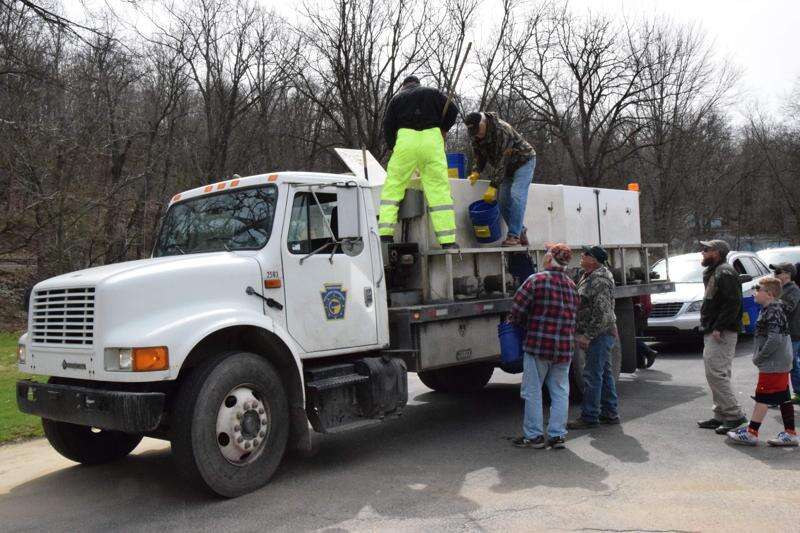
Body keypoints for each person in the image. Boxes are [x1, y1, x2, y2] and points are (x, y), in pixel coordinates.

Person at [509, 243, 578, 449]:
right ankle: (557, 436)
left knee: (532, 391)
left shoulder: (536, 281)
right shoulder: (571, 285)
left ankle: (534, 436)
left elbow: (517, 308)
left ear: (549, 259)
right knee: (560, 392)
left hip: (538, 346)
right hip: (564, 348)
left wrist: (518, 322)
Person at [380, 76, 459, 248]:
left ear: (404, 86)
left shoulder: (396, 99)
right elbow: (453, 110)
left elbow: (387, 125)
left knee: (393, 187)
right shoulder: (433, 93)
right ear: (418, 84)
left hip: (406, 141)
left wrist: (393, 146)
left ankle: (385, 235)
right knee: (438, 190)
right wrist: (443, 127)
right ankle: (448, 241)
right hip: (432, 139)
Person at [727, 277, 798, 446]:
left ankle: (752, 433)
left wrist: (760, 357)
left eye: (759, 290)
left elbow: (774, 339)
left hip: (774, 363)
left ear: (770, 294)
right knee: (783, 396)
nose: (755, 293)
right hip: (778, 362)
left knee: (763, 396)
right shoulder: (772, 308)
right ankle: (790, 433)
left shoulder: (773, 310)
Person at [695, 239, 747, 435]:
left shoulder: (724, 272)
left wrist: (719, 327)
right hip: (714, 329)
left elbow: (733, 302)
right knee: (716, 373)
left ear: (716, 253)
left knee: (716, 373)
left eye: (706, 250)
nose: (702, 252)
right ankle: (720, 414)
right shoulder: (715, 271)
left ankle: (734, 416)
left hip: (721, 331)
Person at [463, 112, 536, 247]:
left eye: (478, 130)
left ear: (483, 123)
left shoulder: (502, 130)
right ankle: (521, 230)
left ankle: (514, 236)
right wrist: (476, 171)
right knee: (502, 202)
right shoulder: (475, 135)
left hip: (523, 161)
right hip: (507, 169)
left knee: (516, 195)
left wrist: (493, 186)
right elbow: (479, 155)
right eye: (473, 131)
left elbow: (503, 160)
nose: (476, 134)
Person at [567, 246, 620, 429]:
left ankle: (590, 416)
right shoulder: (588, 275)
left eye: (587, 254)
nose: (582, 256)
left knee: (592, 376)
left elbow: (602, 313)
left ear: (595, 260)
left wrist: (588, 336)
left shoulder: (600, 280)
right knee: (604, 374)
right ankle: (610, 413)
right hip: (601, 333)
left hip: (598, 334)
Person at [770, 263, 800, 403]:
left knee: (790, 363)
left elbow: (788, 307)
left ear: (787, 274)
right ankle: (779, 394)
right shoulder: (780, 289)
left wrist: (772, 300)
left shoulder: (793, 289)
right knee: (783, 363)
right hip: (781, 332)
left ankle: (795, 393)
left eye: (778, 271)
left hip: (792, 333)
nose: (775, 274)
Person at [633, 294, 657, 369]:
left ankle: (648, 352)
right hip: (642, 308)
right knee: (638, 333)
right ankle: (640, 362)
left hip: (639, 308)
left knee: (630, 336)